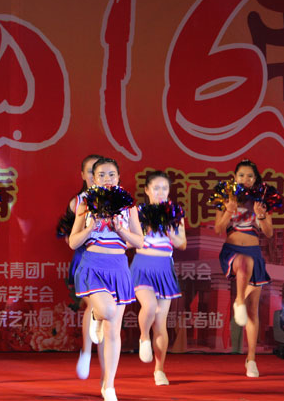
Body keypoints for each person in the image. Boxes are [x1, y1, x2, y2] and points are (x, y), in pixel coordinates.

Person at [69, 157, 143, 401]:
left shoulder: (129, 206)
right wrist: (90, 227)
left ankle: (108, 386)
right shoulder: (85, 203)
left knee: (112, 332)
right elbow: (73, 242)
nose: (107, 179)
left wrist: (120, 229)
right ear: (93, 179)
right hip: (93, 264)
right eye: (101, 175)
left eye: (111, 174)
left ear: (119, 177)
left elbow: (139, 241)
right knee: (107, 311)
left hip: (119, 267)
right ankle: (95, 315)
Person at [215, 159, 274, 378]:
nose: (245, 179)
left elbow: (269, 233)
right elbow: (218, 228)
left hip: (254, 252)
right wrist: (228, 211)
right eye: (241, 175)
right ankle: (238, 300)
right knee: (243, 262)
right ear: (235, 177)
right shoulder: (226, 198)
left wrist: (261, 215)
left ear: (255, 179)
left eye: (250, 176)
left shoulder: (261, 201)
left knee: (253, 311)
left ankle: (251, 359)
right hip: (232, 251)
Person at [130, 171, 186, 385]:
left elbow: (182, 244)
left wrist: (170, 230)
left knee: (160, 322)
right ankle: (144, 337)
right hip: (143, 265)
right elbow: (129, 241)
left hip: (164, 268)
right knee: (150, 306)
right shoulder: (138, 213)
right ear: (147, 190)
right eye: (156, 188)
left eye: (165, 188)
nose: (161, 192)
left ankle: (159, 370)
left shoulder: (176, 214)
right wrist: (144, 230)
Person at [58, 154, 102, 380]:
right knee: (92, 305)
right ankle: (86, 351)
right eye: (90, 171)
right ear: (83, 174)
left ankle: (106, 372)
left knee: (105, 312)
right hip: (84, 259)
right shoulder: (77, 202)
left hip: (109, 261)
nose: (94, 175)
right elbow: (67, 232)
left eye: (99, 170)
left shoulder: (116, 200)